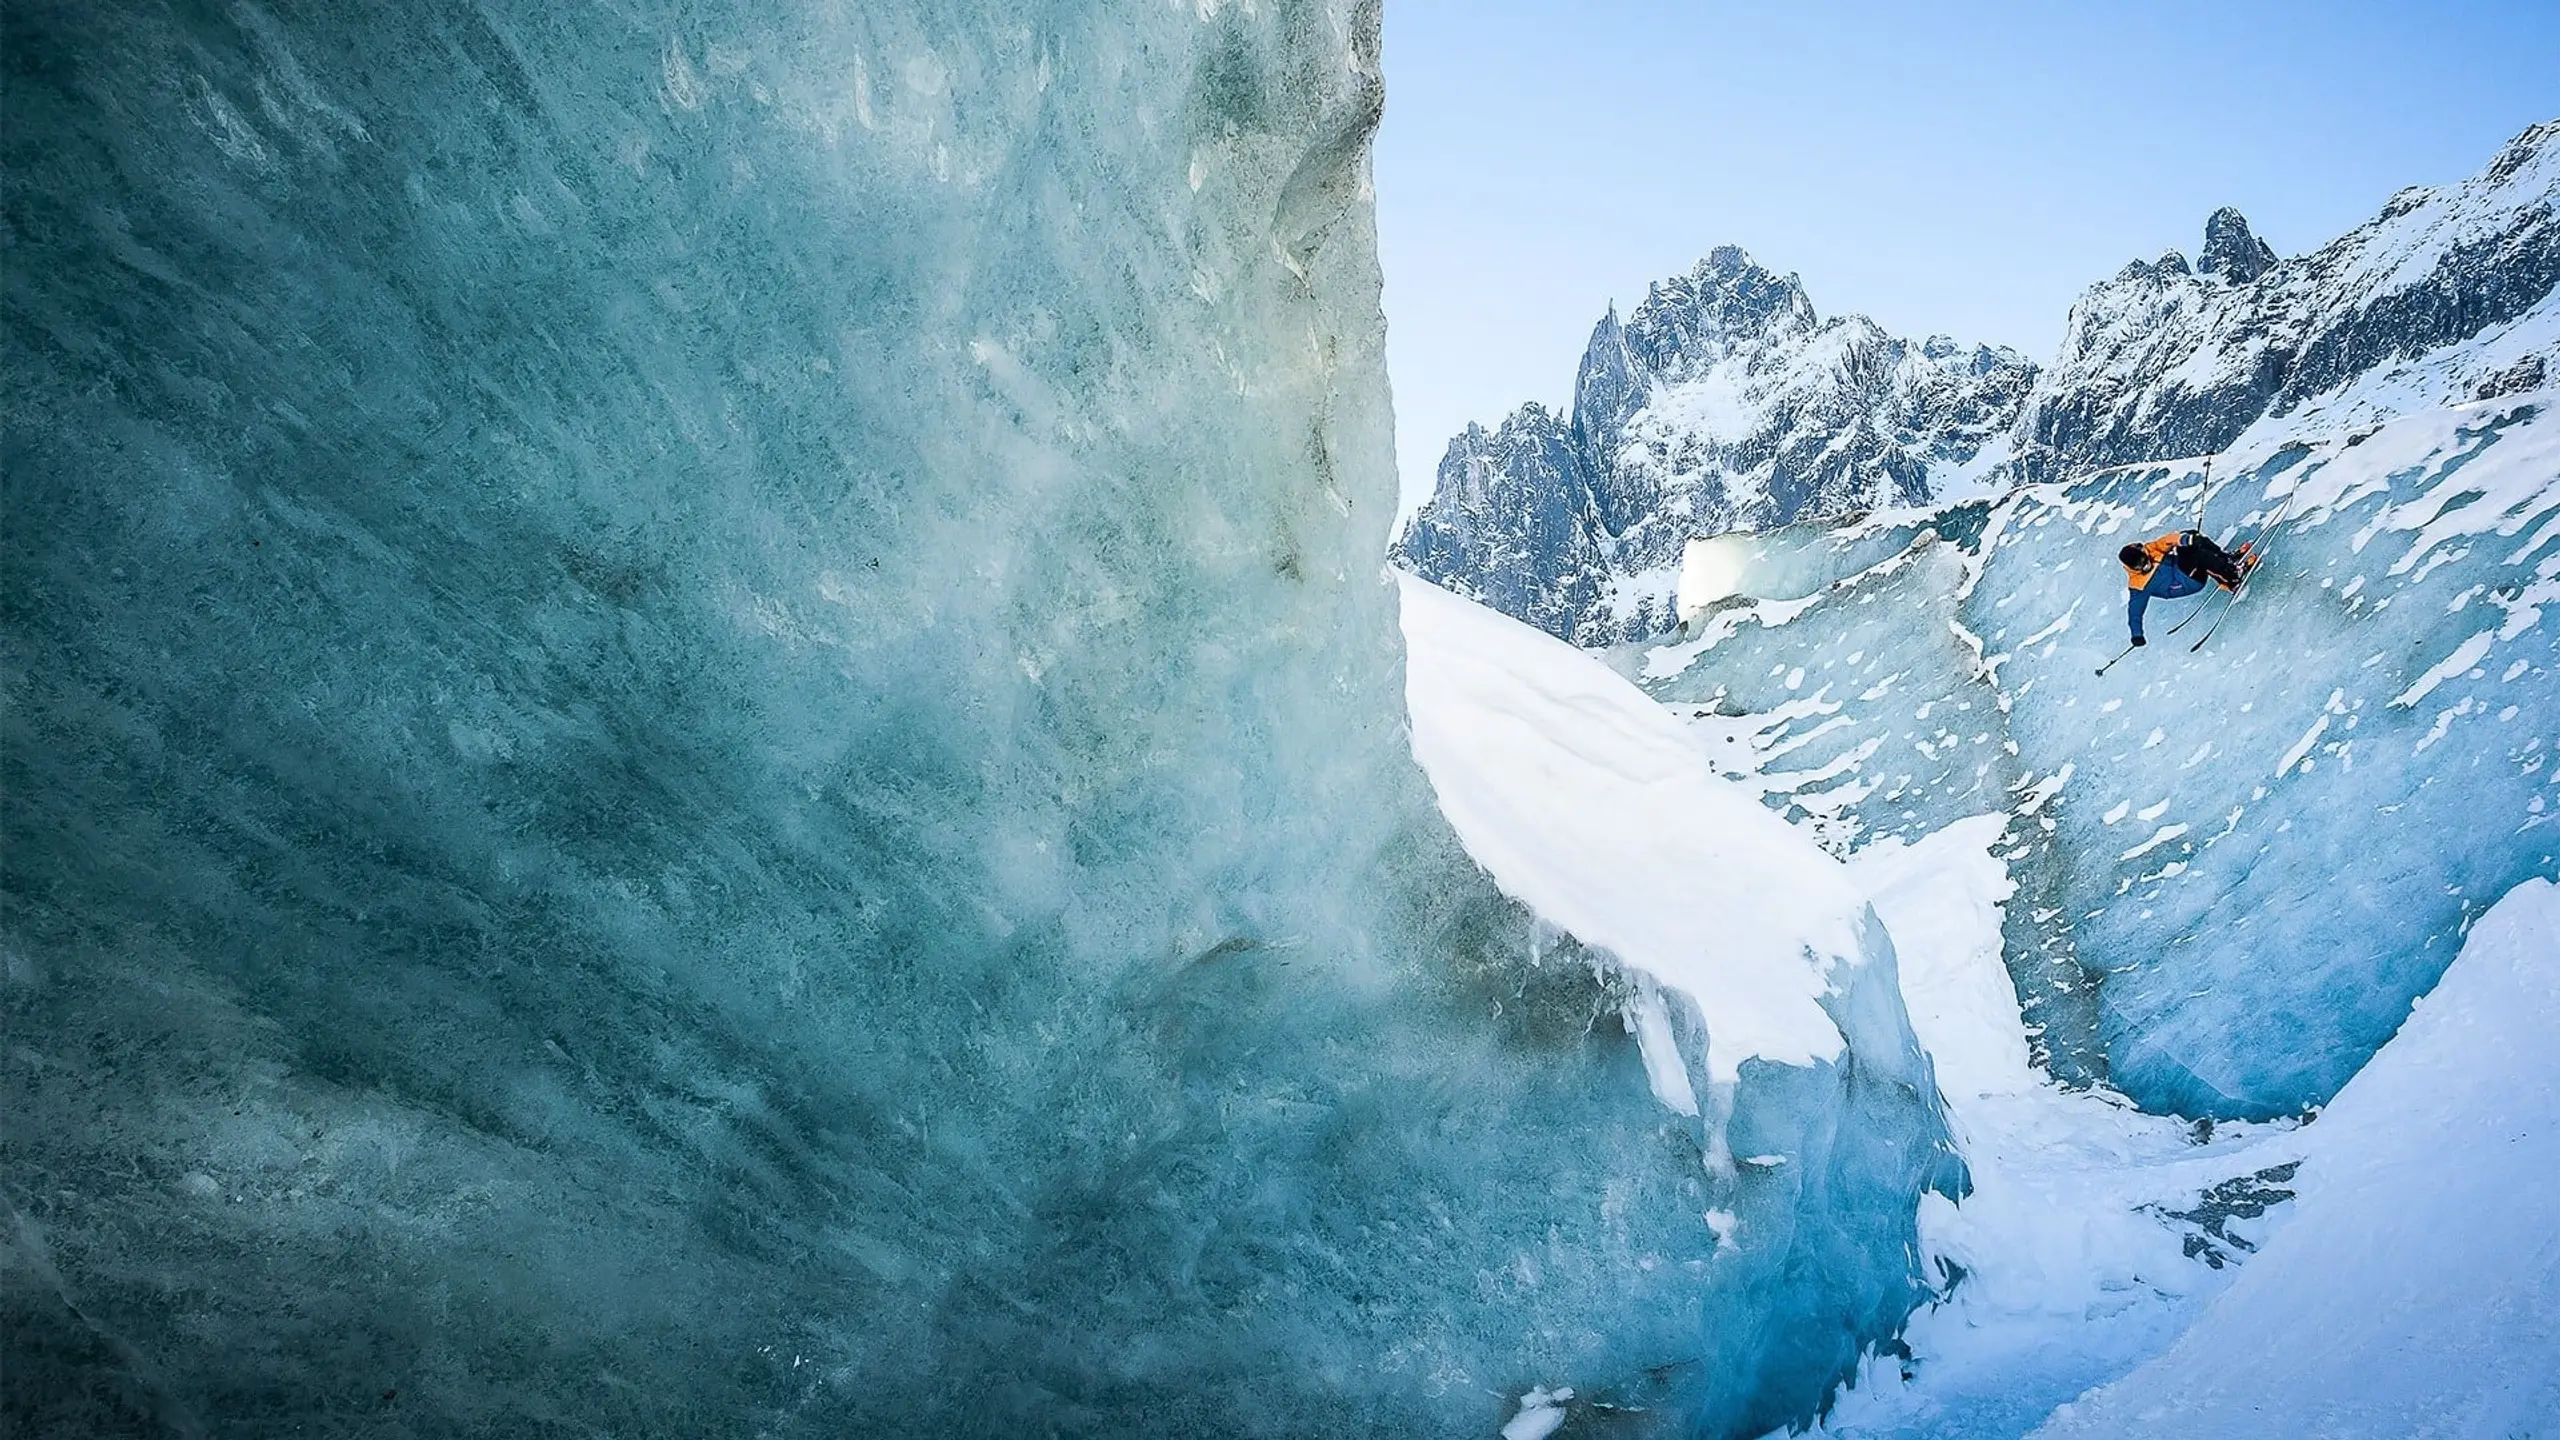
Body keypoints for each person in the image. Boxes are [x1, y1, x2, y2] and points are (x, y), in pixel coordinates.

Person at [2120, 529, 2254, 645]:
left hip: (2180, 567)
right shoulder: (2137, 584)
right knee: (2199, 557)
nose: (2145, 566)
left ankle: (2226, 559)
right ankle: (2233, 578)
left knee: (2192, 536)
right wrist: (2136, 635)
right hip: (2187, 583)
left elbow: (2168, 540)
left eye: (2144, 561)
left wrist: (2186, 539)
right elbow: (2134, 612)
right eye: (2139, 566)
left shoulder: (2150, 549)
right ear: (2132, 568)